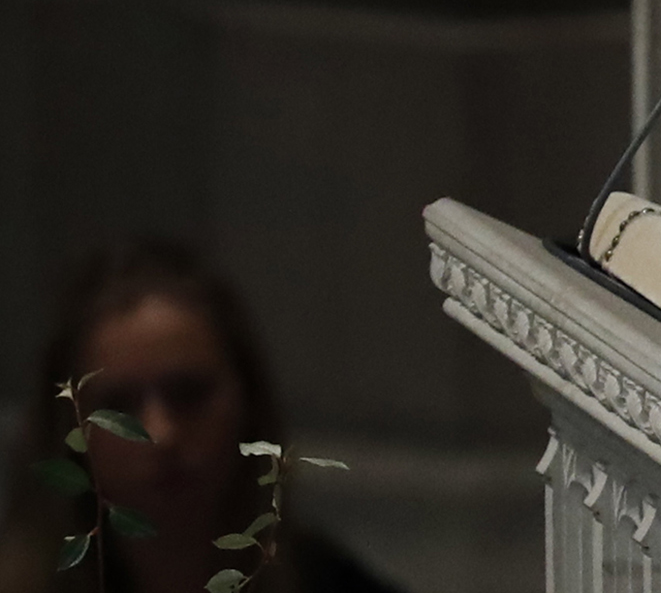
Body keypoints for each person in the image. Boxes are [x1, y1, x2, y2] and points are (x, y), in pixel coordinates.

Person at [0, 240, 399, 593]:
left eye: (188, 394)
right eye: (118, 407)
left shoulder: (331, 583)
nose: (160, 433)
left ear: (249, 402)